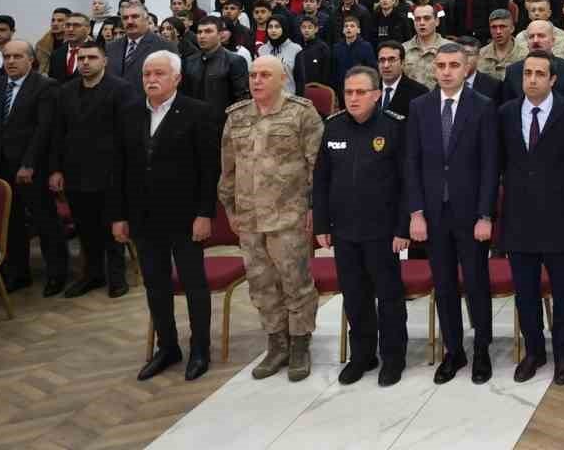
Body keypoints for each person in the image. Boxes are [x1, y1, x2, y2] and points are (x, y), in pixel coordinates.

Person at [111, 50, 219, 381]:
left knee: (193, 284)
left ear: (177, 78)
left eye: (159, 73)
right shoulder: (129, 113)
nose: (151, 79)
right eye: (147, 74)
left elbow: (209, 169)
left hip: (185, 216)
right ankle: (167, 346)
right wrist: (118, 215)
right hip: (143, 216)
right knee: (155, 285)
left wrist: (205, 213)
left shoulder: (198, 112)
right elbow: (119, 168)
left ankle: (200, 349)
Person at [220, 56, 324, 381]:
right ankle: (276, 343)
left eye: (265, 75)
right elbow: (228, 169)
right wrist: (230, 210)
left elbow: (318, 167)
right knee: (261, 284)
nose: (256, 80)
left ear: (282, 79)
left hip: (288, 216)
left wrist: (314, 209)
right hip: (250, 218)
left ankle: (300, 343)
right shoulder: (237, 116)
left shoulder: (302, 113)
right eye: (253, 75)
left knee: (295, 282)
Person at [405, 43, 499, 383]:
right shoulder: (420, 107)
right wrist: (416, 212)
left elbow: (490, 166)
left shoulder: (482, 106)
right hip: (433, 214)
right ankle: (454, 350)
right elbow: (411, 163)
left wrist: (485, 215)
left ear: (466, 67)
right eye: (441, 65)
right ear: (434, 69)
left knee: (476, 283)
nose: (446, 71)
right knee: (443, 285)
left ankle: (482, 349)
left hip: (471, 214)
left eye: (454, 65)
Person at [313, 66, 410, 387]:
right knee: (355, 297)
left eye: (360, 92)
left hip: (382, 231)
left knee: (389, 298)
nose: (353, 98)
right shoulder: (333, 127)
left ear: (376, 95)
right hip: (345, 230)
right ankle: (362, 355)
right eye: (348, 92)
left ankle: (393, 357)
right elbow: (321, 180)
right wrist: (322, 223)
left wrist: (402, 228)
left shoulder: (393, 127)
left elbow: (406, 182)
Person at [497, 51, 564, 385]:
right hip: (519, 218)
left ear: (553, 79)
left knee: (563, 290)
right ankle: (534, 351)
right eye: (527, 73)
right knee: (525, 292)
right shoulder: (505, 113)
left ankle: (563, 352)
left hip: (559, 216)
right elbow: (498, 163)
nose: (531, 79)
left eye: (539, 74)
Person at [0, 39, 69, 296]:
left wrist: (29, 164)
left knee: (45, 221)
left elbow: (44, 130)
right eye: (7, 56)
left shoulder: (46, 86)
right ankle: (18, 274)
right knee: (11, 224)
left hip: (33, 169)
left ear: (31, 60)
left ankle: (57, 274)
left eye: (17, 56)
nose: (11, 61)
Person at [51, 40, 138, 298]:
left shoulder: (121, 89)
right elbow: (57, 133)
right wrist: (56, 169)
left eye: (92, 58)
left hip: (110, 170)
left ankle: (117, 276)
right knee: (85, 227)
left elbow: (128, 134)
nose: (86, 63)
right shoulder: (66, 91)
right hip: (75, 171)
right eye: (81, 58)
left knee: (112, 225)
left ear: (104, 61)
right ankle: (92, 274)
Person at [182, 16, 250, 125]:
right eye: (199, 32)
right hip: (194, 124)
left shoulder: (234, 61)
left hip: (223, 125)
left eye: (208, 31)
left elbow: (242, 99)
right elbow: (185, 95)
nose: (202, 36)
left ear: (220, 34)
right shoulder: (189, 61)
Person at [498, 20, 564, 105]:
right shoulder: (513, 71)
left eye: (541, 36)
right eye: (531, 37)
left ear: (553, 41)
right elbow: (507, 108)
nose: (535, 40)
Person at [109, 2, 169, 87]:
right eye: (125, 18)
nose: (129, 21)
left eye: (135, 16)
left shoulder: (163, 46)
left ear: (146, 19)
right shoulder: (111, 47)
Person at [401, 4, 446, 89]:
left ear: (437, 21)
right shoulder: (403, 49)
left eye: (427, 18)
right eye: (417, 19)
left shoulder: (449, 48)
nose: (421, 23)